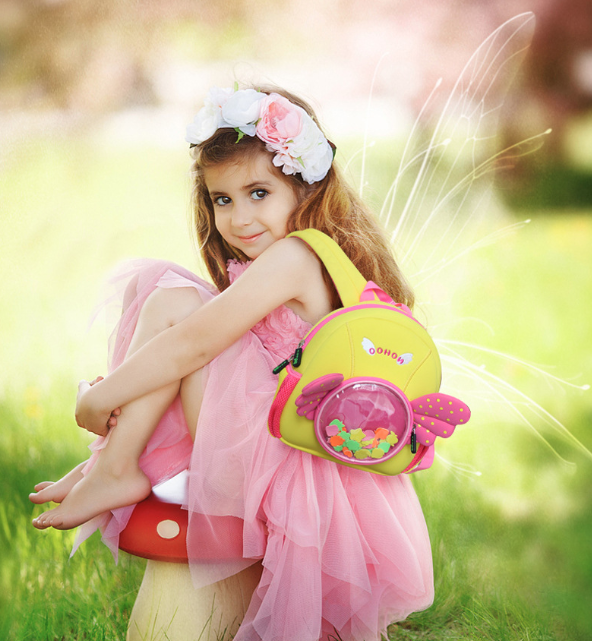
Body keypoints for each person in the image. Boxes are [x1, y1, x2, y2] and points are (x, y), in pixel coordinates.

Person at [29, 85, 433, 641]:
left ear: (306, 188)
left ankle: (115, 466)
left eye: (258, 193)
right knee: (166, 298)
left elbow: (193, 346)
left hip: (282, 465)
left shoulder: (296, 256)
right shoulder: (303, 256)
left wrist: (101, 397)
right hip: (278, 457)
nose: (239, 218)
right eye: (222, 199)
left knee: (172, 304)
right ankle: (110, 464)